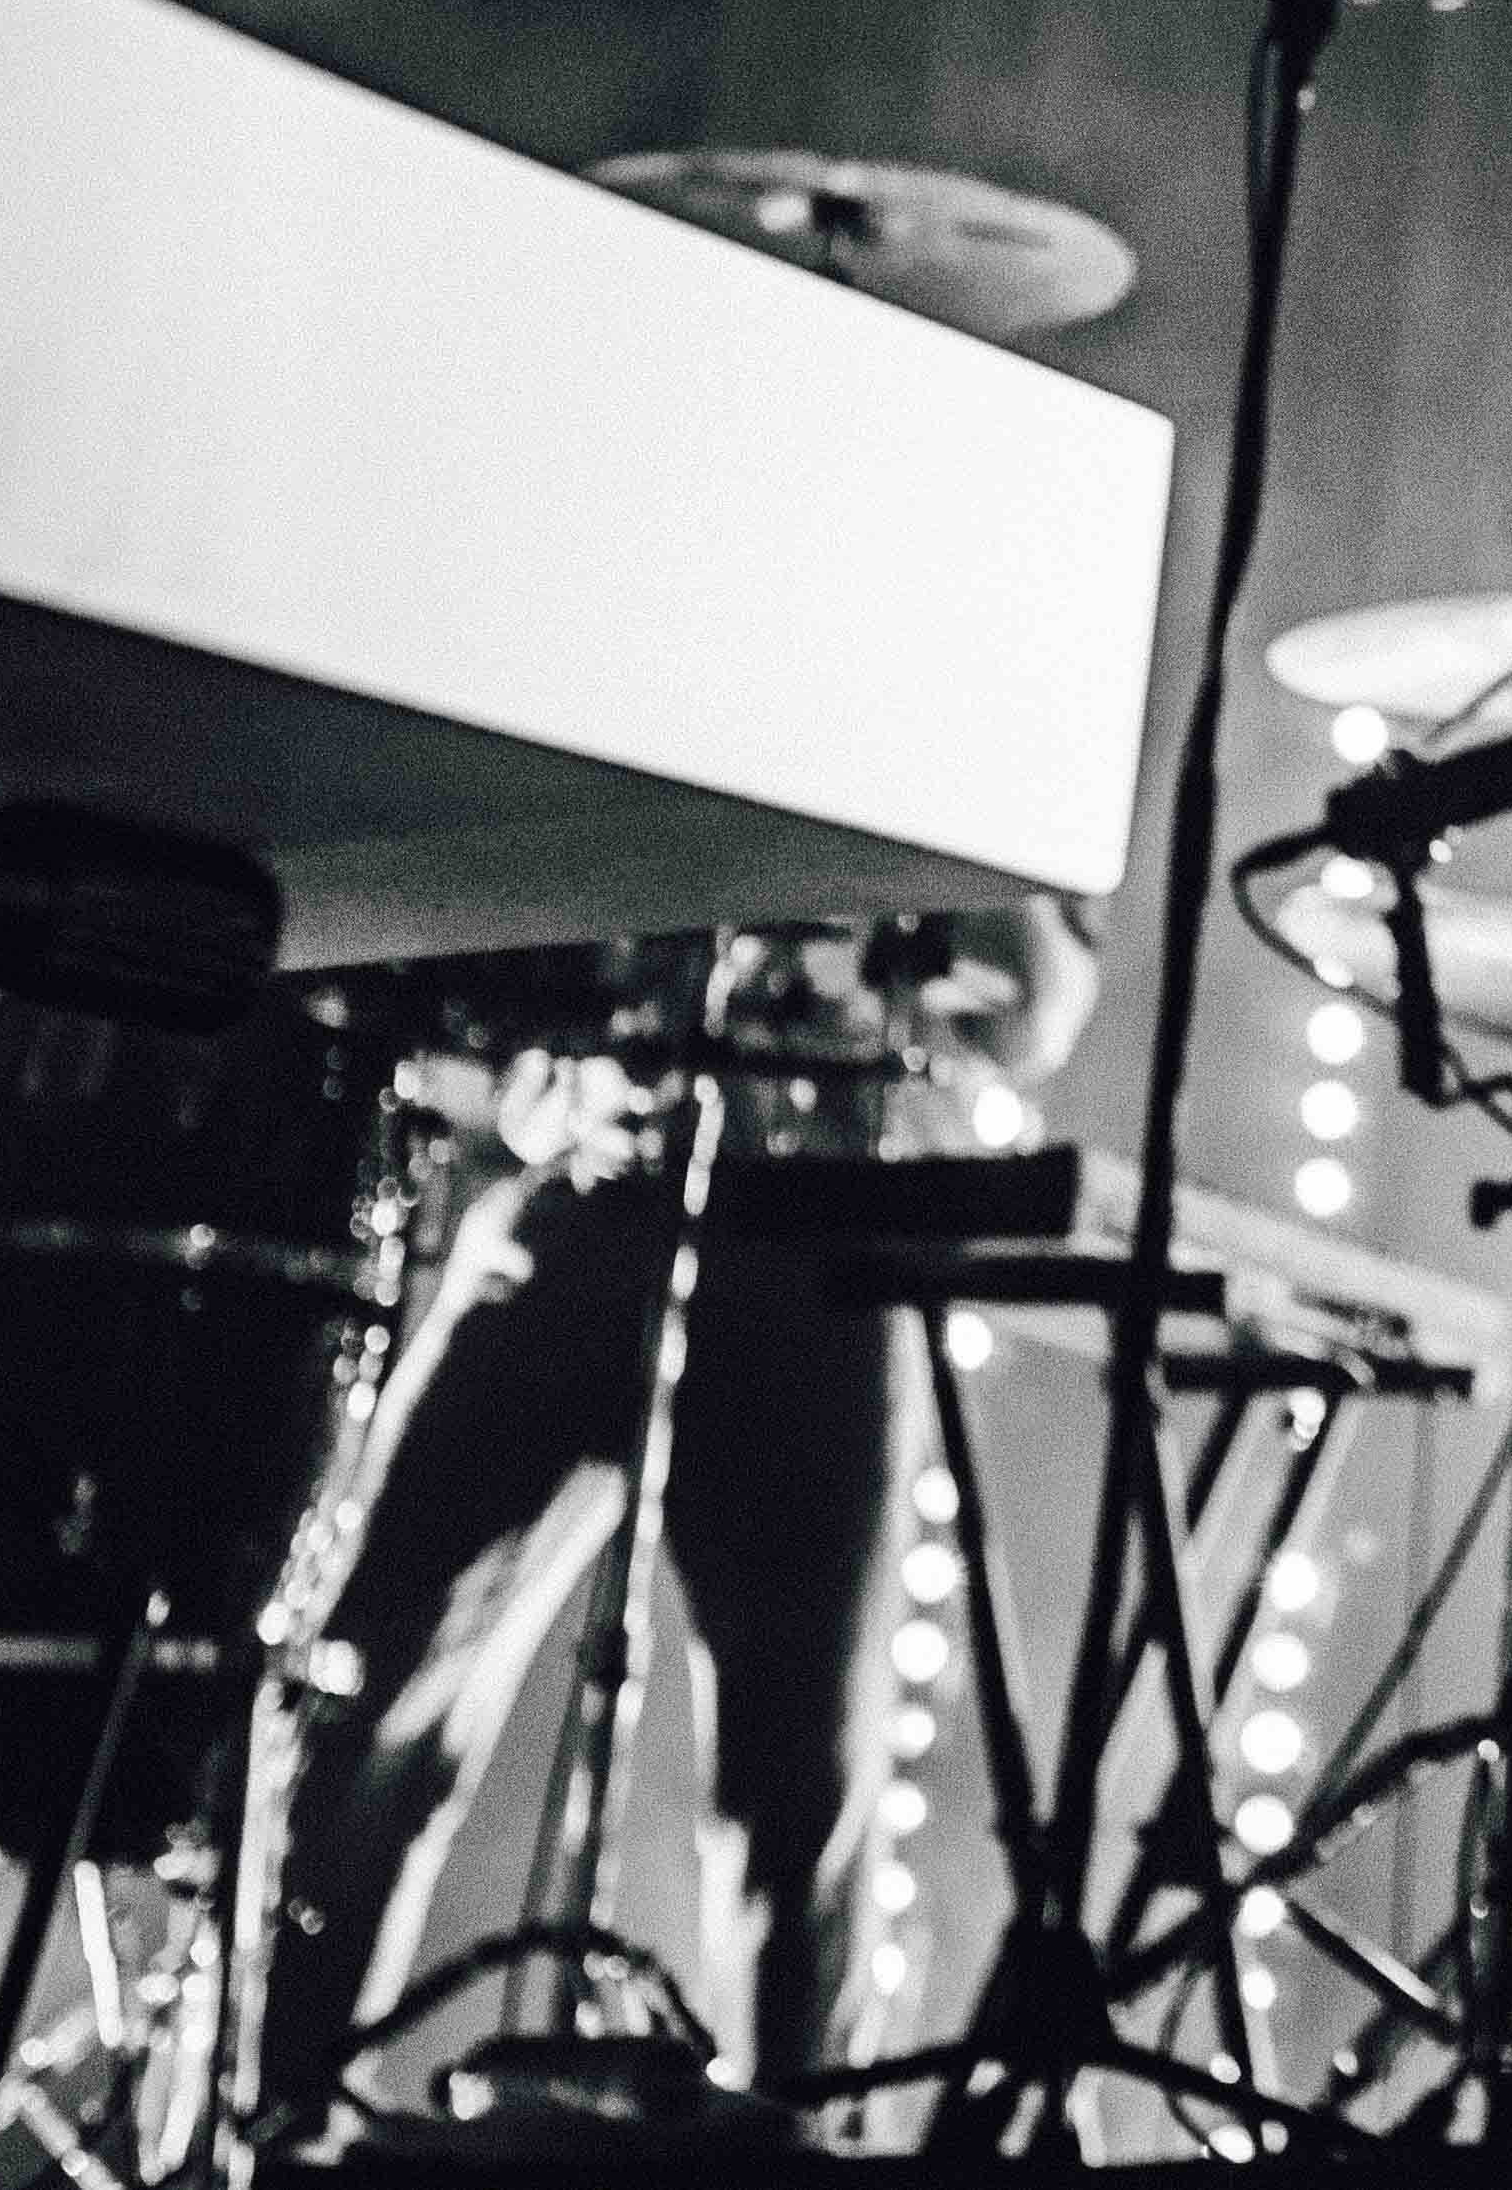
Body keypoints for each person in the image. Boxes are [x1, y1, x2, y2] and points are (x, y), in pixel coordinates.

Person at [266, 906, 1094, 2131]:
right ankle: (280, 2118)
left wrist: (895, 912)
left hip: (817, 1246)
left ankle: (798, 2135)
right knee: (372, 1689)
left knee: (798, 1786)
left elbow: (1038, 1006)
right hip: (577, 1202)